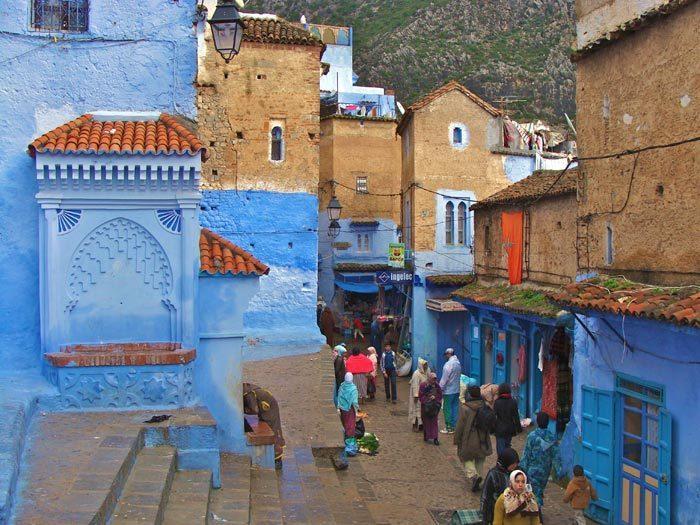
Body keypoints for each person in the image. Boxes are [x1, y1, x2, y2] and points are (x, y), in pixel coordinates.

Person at [454, 386, 493, 492]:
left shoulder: (465, 408)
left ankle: (474, 475)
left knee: (465, 457)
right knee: (480, 459)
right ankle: (479, 478)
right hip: (483, 438)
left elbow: (460, 425)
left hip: (469, 437)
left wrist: (457, 439)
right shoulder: (484, 405)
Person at [520, 412, 563, 507]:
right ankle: (536, 511)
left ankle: (536, 513)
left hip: (532, 470)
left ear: (538, 422)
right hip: (545, 471)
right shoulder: (552, 437)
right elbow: (556, 456)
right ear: (547, 423)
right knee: (539, 490)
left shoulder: (532, 436)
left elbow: (526, 454)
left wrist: (522, 469)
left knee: (534, 492)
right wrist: (559, 471)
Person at [243, 382, 286, 468]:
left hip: (268, 407)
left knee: (273, 428)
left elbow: (254, 411)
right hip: (264, 406)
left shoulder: (247, 393)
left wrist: (247, 425)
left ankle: (277, 459)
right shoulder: (244, 390)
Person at [481, 448, 521, 525]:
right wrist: (484, 515)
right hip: (497, 510)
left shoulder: (519, 472)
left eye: (516, 463)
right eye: (513, 464)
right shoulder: (493, 474)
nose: (515, 465)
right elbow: (485, 496)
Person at [493, 383, 521, 455]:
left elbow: (494, 416)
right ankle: (508, 462)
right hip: (510, 428)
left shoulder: (497, 402)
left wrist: (492, 429)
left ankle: (501, 463)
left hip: (499, 429)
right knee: (507, 446)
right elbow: (516, 416)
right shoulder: (513, 402)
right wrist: (519, 429)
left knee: (500, 448)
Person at [336, 372, 360, 456]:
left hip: (342, 409)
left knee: (344, 423)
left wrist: (338, 406)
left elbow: (338, 395)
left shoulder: (342, 386)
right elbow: (354, 401)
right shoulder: (353, 389)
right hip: (349, 409)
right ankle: (349, 443)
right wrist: (357, 410)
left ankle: (345, 439)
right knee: (350, 425)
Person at [439, 348, 462, 434]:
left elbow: (444, 378)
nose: (445, 357)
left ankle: (449, 428)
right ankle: (454, 426)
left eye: (446, 355)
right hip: (456, 390)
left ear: (449, 354)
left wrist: (440, 388)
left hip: (448, 391)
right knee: (455, 408)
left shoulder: (448, 365)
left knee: (447, 408)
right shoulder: (458, 364)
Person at [419, 372, 443, 445]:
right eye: (433, 379)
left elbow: (440, 394)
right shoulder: (423, 385)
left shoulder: (436, 385)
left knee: (434, 422)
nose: (434, 381)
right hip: (425, 407)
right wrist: (428, 399)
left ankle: (435, 438)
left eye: (435, 379)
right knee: (426, 422)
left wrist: (435, 398)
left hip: (434, 407)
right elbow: (421, 395)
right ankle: (426, 435)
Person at [409, 358, 431, 431]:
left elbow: (429, 380)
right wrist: (416, 395)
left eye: (426, 364)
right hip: (418, 395)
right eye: (424, 365)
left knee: (423, 410)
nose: (425, 366)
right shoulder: (416, 374)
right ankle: (414, 425)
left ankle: (422, 425)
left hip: (425, 395)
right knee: (416, 409)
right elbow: (415, 385)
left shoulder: (428, 371)